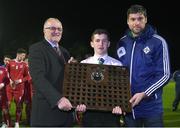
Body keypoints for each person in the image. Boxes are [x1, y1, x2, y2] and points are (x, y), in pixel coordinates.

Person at [116, 4, 170, 127]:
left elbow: (165, 75)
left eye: (140, 19)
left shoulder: (158, 42)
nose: (136, 23)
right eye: (133, 19)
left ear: (145, 19)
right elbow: (118, 73)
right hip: (129, 108)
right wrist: (119, 101)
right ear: (127, 22)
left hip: (151, 109)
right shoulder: (122, 42)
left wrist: (145, 93)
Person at [28, 17, 75, 127]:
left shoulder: (65, 52)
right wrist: (58, 99)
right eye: (53, 28)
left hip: (66, 114)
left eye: (60, 29)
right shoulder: (36, 49)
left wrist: (73, 69)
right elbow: (38, 78)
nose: (57, 31)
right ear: (44, 30)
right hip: (46, 113)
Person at [76, 29, 123, 127]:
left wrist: (120, 107)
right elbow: (79, 90)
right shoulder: (84, 65)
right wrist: (80, 104)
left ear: (108, 43)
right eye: (97, 41)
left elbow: (121, 91)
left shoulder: (117, 65)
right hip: (89, 113)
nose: (101, 44)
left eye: (104, 41)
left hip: (111, 114)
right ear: (92, 44)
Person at [6, 48, 29, 128]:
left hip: (19, 88)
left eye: (24, 56)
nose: (23, 57)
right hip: (9, 87)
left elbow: (28, 76)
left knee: (18, 105)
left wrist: (20, 80)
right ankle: (7, 122)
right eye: (22, 55)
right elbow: (7, 72)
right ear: (18, 54)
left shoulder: (24, 65)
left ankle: (17, 122)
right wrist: (10, 80)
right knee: (7, 104)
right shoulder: (10, 62)